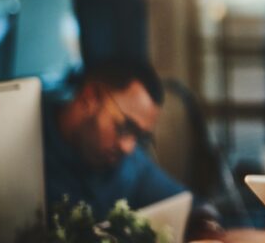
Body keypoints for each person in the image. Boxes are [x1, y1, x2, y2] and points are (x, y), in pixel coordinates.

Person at [43, 60, 224, 239]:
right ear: (91, 97)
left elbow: (194, 207)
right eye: (125, 127)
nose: (128, 147)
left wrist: (206, 228)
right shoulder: (32, 152)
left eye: (140, 136)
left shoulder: (128, 164)